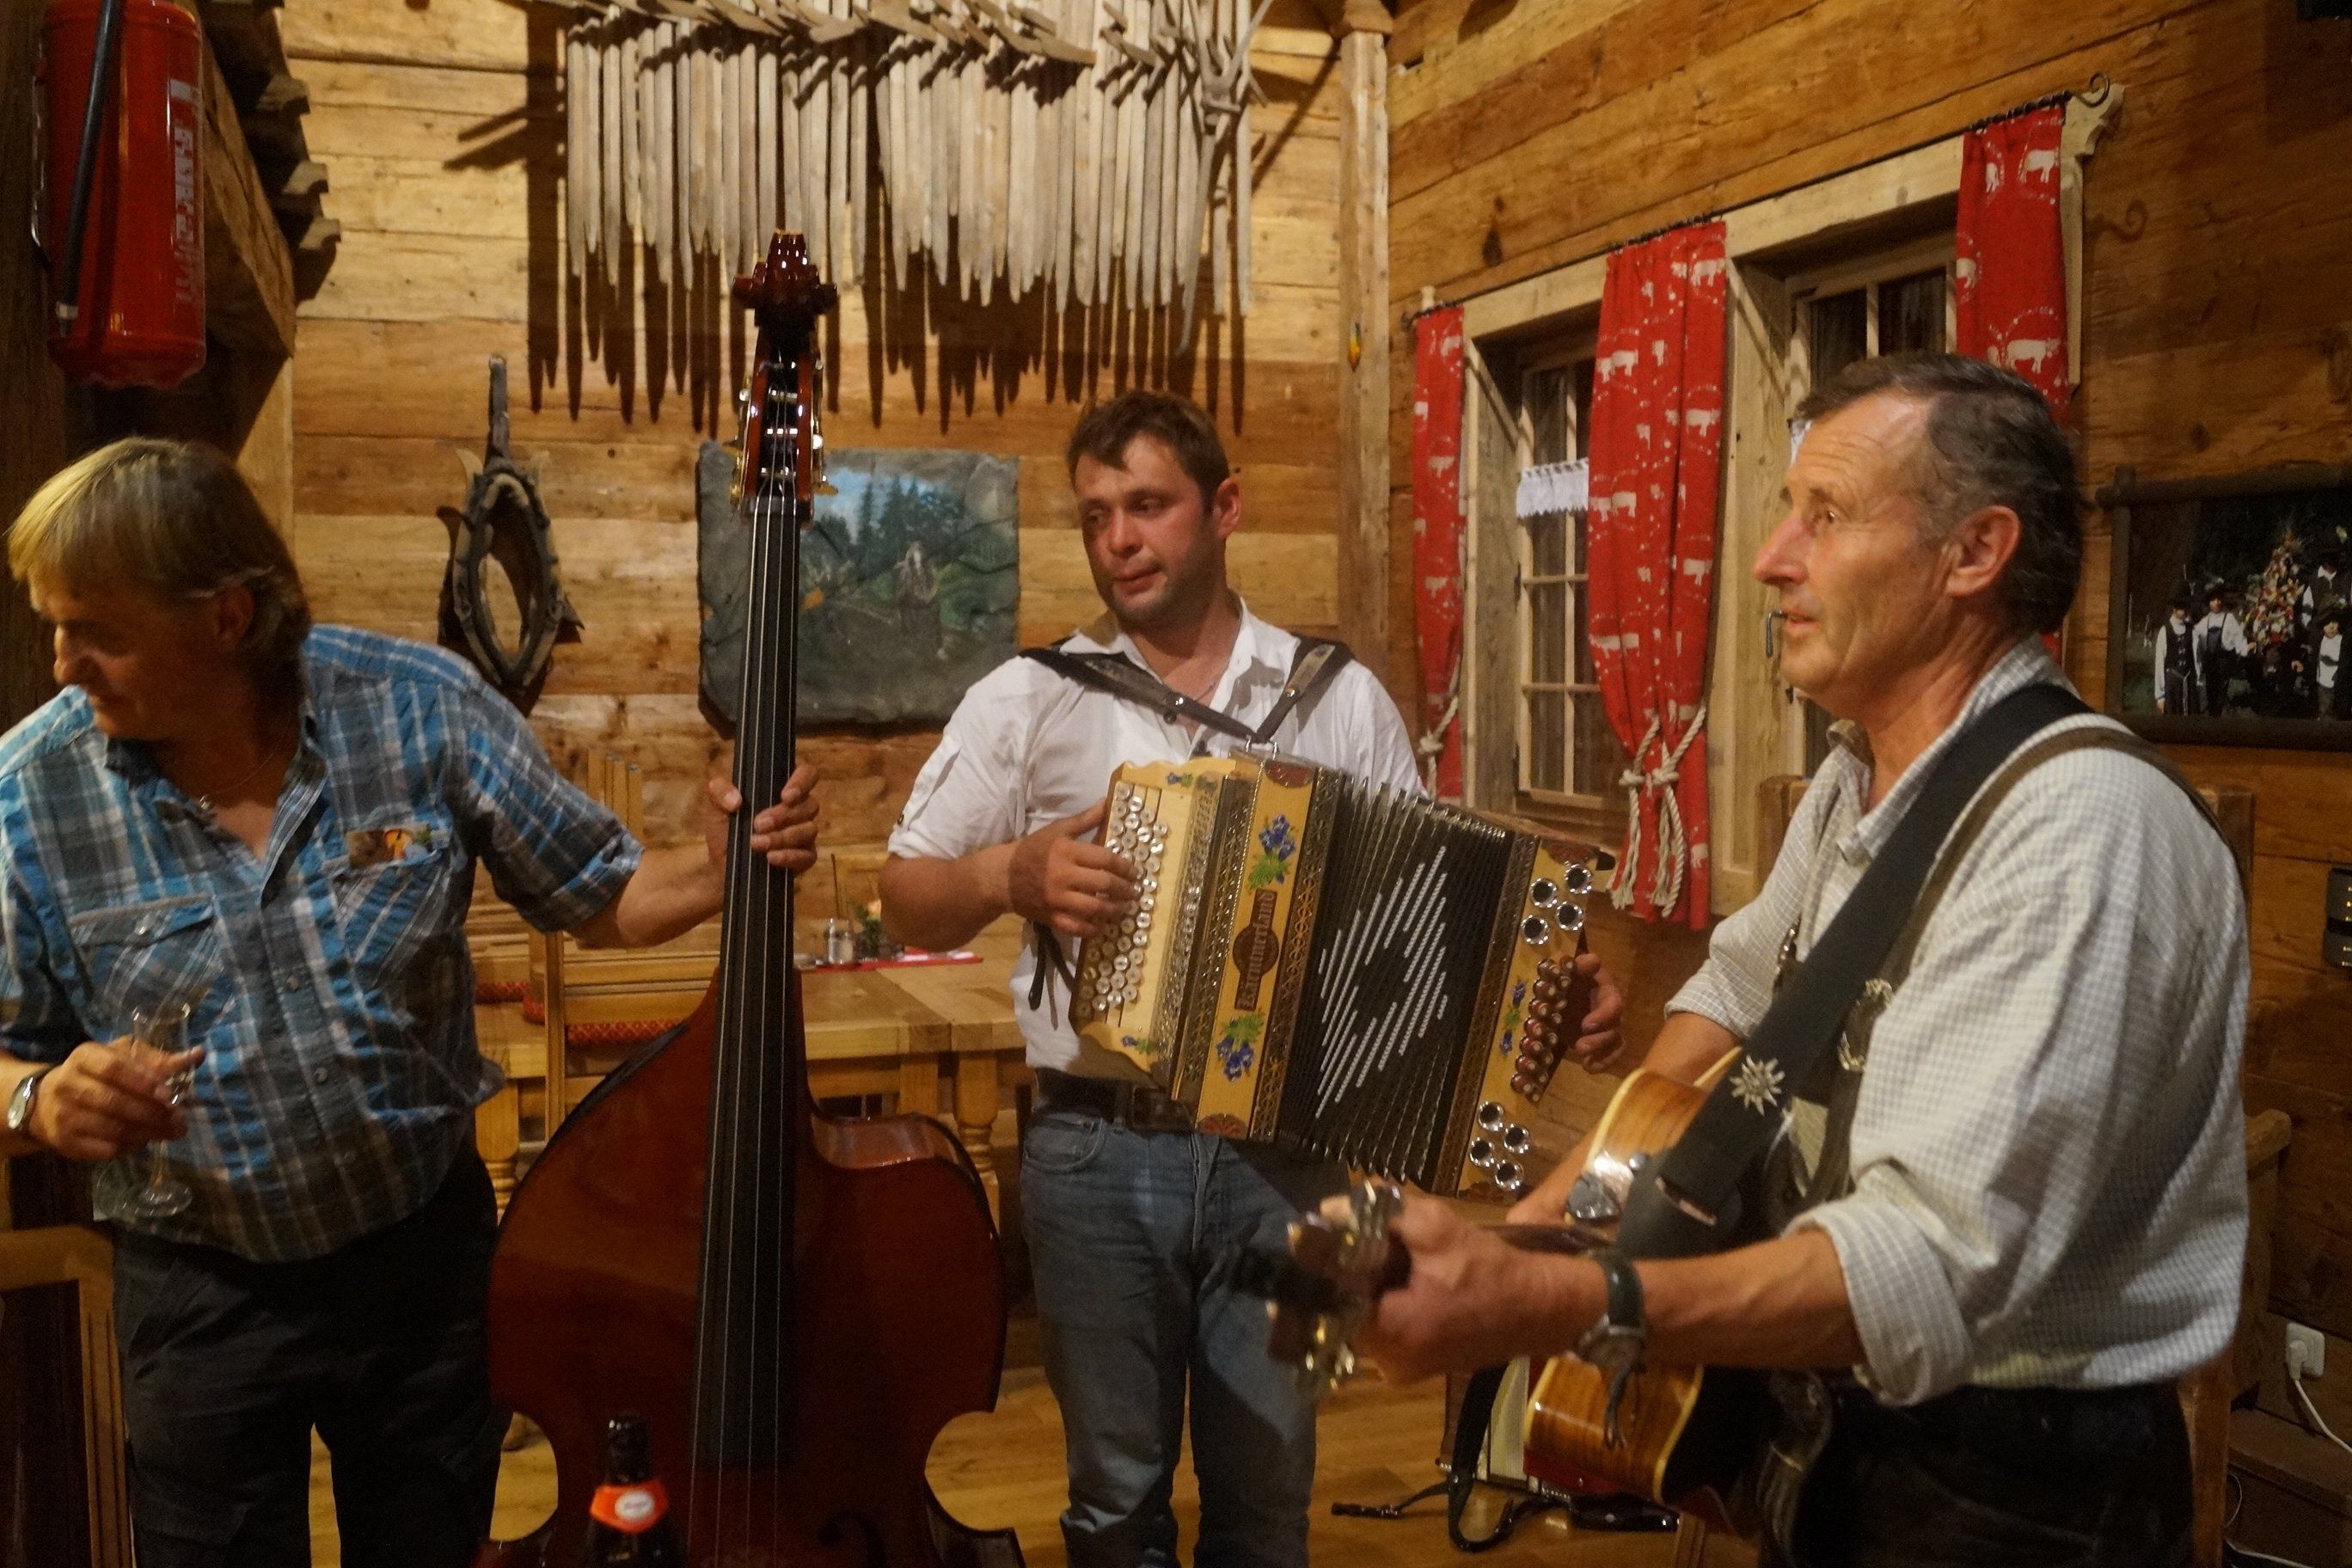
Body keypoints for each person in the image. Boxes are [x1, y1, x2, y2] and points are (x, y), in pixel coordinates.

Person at [1350, 356, 2247, 1567]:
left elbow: (1925, 1269)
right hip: (1836, 1419)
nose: (1773, 559)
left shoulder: (2077, 829)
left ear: (1975, 552)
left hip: (2013, 1484)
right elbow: (1741, 987)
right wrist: (1599, 1176)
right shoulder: (1855, 777)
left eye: (1826, 516)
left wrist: (1564, 1299)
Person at [0, 438, 820, 1568]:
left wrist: (724, 865)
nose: (63, 665)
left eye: (98, 631)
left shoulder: (418, 709)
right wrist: (39, 1100)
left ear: (226, 618)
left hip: (421, 1271)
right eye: (52, 626)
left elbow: (602, 896)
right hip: (198, 1293)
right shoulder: (28, 794)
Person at [879, 390, 1623, 1568]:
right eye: (1095, 516)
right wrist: (1007, 873)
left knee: (1272, 1502)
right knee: (1113, 1501)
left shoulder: (1339, 697)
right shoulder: (1030, 696)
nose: (1119, 539)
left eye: (1148, 506)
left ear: (1224, 507)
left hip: (1298, 1161)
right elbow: (905, 892)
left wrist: (1547, 992)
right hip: (1092, 1147)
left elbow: (1438, 917)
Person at [2191, 582, 2248, 714]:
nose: (2217, 602)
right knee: (2210, 695)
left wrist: (2245, 648)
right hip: (2210, 664)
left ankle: (2218, 717)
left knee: (2220, 698)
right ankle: (2212, 718)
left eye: (2219, 599)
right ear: (2209, 602)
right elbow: (2194, 635)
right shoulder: (2205, 621)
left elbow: (2239, 639)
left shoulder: (2229, 619)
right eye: (2213, 600)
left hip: (2224, 664)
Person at [2152, 594, 2195, 714]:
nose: (2184, 611)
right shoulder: (2165, 631)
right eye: (2181, 608)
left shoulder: (2191, 630)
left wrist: (2198, 683)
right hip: (2172, 684)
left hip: (2189, 684)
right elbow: (2159, 662)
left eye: (2186, 608)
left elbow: (2196, 658)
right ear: (2174, 609)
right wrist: (2160, 696)